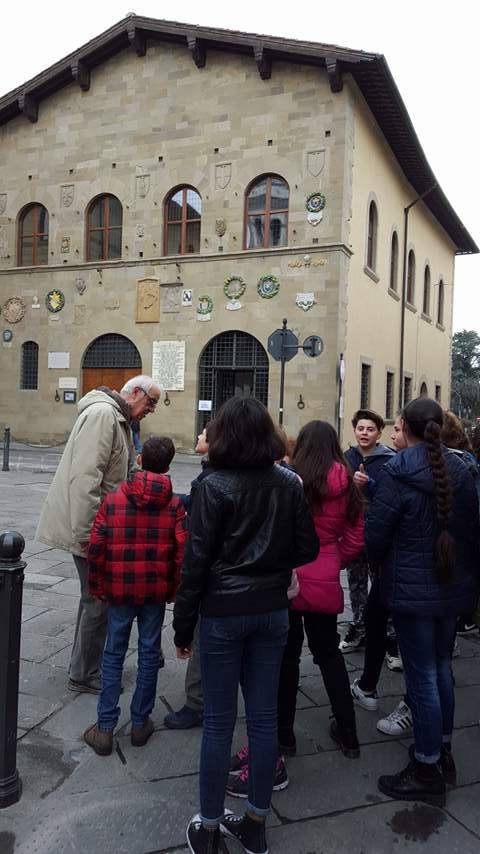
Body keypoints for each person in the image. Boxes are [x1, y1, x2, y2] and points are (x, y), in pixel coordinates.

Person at [172, 397, 319, 854]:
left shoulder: (211, 486)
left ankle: (210, 825)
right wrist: (271, 566)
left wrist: (182, 627)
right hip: (272, 611)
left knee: (218, 722)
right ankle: (255, 821)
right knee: (263, 717)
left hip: (222, 613)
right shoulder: (289, 483)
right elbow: (307, 548)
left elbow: (194, 563)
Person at [366, 397, 479, 806]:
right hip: (453, 587)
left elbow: (375, 535)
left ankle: (426, 765)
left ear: (405, 427)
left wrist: (379, 563)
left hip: (413, 594)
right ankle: (443, 748)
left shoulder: (397, 471)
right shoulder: (464, 469)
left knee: (423, 677)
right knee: (442, 668)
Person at [36, 375, 161, 694]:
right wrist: (88, 535)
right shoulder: (104, 415)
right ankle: (85, 673)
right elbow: (85, 479)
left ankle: (83, 666)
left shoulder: (118, 419)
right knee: (98, 599)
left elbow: (121, 473)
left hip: (102, 526)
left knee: (94, 598)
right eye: (151, 402)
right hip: (93, 528)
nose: (152, 410)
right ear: (135, 393)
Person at [83, 436, 187, 755]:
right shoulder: (175, 505)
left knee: (113, 654)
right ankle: (140, 722)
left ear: (139, 460)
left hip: (119, 591)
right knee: (148, 653)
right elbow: (182, 554)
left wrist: (98, 587)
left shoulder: (114, 501)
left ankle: (104, 727)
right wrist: (173, 589)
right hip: (154, 592)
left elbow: (96, 548)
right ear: (168, 466)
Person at [276, 421, 365, 760]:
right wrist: (333, 559)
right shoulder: (347, 482)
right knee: (329, 656)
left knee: (287, 658)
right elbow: (357, 535)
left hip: (289, 576)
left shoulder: (289, 480)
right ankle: (349, 733)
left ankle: (284, 736)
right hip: (324, 573)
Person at [351, 414, 413, 735]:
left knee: (392, 628)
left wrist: (373, 554)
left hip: (400, 569)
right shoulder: (457, 467)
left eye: (398, 429)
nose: (393, 434)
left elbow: (382, 523)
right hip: (436, 576)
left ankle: (381, 692)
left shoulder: (395, 466)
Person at [164, 424, 213, 729]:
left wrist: (181, 629)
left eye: (204, 434)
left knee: (202, 638)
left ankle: (197, 703)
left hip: (213, 582)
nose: (197, 436)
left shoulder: (209, 481)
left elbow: (198, 550)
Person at [340, 410, 395, 652]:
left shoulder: (388, 459)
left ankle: (387, 630)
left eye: (370, 429)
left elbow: (390, 496)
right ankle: (359, 625)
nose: (364, 433)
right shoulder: (346, 457)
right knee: (356, 580)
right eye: (361, 428)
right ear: (354, 430)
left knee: (381, 581)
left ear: (379, 433)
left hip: (378, 528)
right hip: (353, 527)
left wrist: (368, 486)